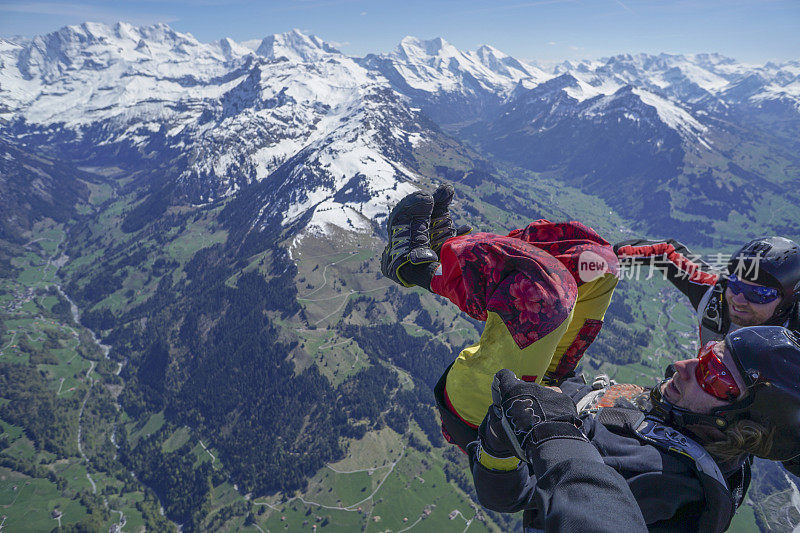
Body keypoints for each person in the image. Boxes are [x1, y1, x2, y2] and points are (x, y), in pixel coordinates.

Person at [473, 326, 800, 531]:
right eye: (705, 355)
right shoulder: (723, 457)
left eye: (713, 376)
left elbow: (509, 496)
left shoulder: (664, 482)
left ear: (744, 427)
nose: (682, 366)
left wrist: (552, 434)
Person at [381, 184, 620, 451]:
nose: (678, 366)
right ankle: (443, 251)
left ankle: (415, 268)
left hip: (493, 411)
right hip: (552, 379)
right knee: (598, 261)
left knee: (542, 294)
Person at [614, 236, 800, 343]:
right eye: (734, 283)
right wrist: (604, 256)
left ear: (787, 301)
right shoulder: (714, 294)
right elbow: (664, 253)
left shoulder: (794, 336)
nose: (738, 299)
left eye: (759, 294)